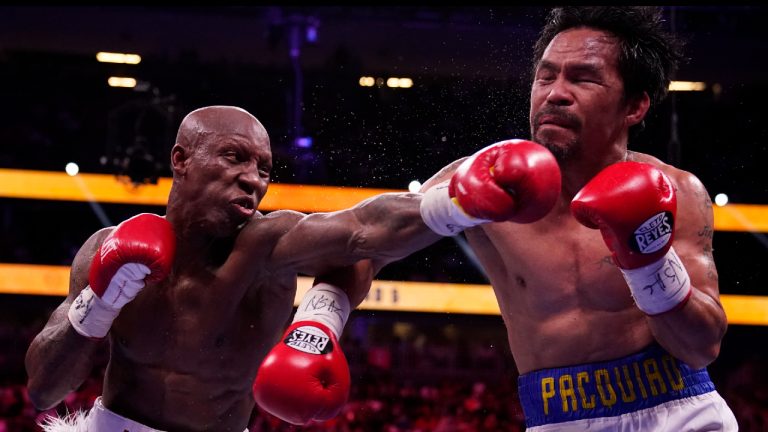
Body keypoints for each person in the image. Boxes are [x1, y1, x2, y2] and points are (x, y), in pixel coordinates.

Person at [24, 104, 558, 431]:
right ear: (180, 160)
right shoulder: (106, 248)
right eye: (234, 157)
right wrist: (99, 303)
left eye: (263, 169)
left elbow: (361, 231)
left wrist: (457, 204)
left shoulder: (266, 244)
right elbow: (44, 390)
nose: (252, 179)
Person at [415, 6, 737, 431]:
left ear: (636, 105)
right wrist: (322, 319)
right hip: (556, 419)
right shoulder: (477, 180)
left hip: (680, 413)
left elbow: (702, 346)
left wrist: (650, 263)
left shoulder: (676, 190)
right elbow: (362, 239)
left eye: (582, 78)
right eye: (546, 77)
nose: (555, 93)